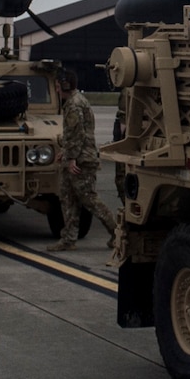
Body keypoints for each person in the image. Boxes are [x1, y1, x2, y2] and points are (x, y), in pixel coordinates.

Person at [48, 69, 116, 252]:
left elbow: (78, 134)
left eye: (57, 86)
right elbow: (72, 135)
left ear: (64, 85)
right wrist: (65, 151)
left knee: (89, 199)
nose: (56, 90)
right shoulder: (74, 102)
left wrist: (71, 159)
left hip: (81, 160)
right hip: (77, 157)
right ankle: (69, 239)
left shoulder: (74, 105)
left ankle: (117, 232)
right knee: (68, 198)